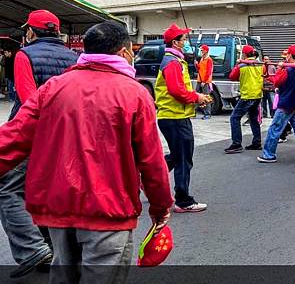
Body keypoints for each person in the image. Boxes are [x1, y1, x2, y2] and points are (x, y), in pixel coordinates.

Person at [0, 21, 173, 279]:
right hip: (109, 212)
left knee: (63, 275)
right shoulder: (135, 94)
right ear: (125, 52)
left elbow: (12, 138)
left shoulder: (53, 88)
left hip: (58, 209)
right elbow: (151, 161)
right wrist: (160, 208)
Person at [0, 10, 78, 278]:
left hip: (32, 134)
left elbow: (28, 99)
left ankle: (33, 249)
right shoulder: (74, 57)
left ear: (31, 32)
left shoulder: (25, 55)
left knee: (8, 189)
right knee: (43, 190)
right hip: (63, 135)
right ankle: (50, 250)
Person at [155, 23, 210, 213]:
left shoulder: (175, 60)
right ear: (175, 43)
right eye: (184, 39)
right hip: (175, 117)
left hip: (174, 116)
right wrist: (197, 97)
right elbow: (176, 90)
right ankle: (183, 200)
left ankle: (145, 178)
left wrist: (196, 99)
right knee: (184, 158)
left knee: (178, 156)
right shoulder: (172, 62)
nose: (186, 42)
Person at [257, 45, 295, 163]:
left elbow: (277, 82)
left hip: (285, 103)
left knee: (275, 128)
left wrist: (279, 69)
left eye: (286, 54)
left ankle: (268, 155)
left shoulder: (288, 70)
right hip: (294, 103)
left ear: (289, 55)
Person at [225, 45, 263, 153]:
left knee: (234, 118)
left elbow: (232, 76)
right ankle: (257, 142)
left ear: (244, 54)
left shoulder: (242, 65)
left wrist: (237, 64)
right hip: (258, 95)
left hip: (247, 96)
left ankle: (236, 143)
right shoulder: (260, 64)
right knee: (253, 119)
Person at [196, 44, 214, 120]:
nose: (201, 51)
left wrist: (204, 81)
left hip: (205, 81)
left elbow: (208, 72)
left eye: (202, 50)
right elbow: (199, 69)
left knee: (206, 97)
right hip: (199, 80)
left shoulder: (209, 60)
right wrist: (196, 65)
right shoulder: (202, 59)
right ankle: (194, 111)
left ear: (206, 51)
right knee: (197, 95)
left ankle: (207, 114)